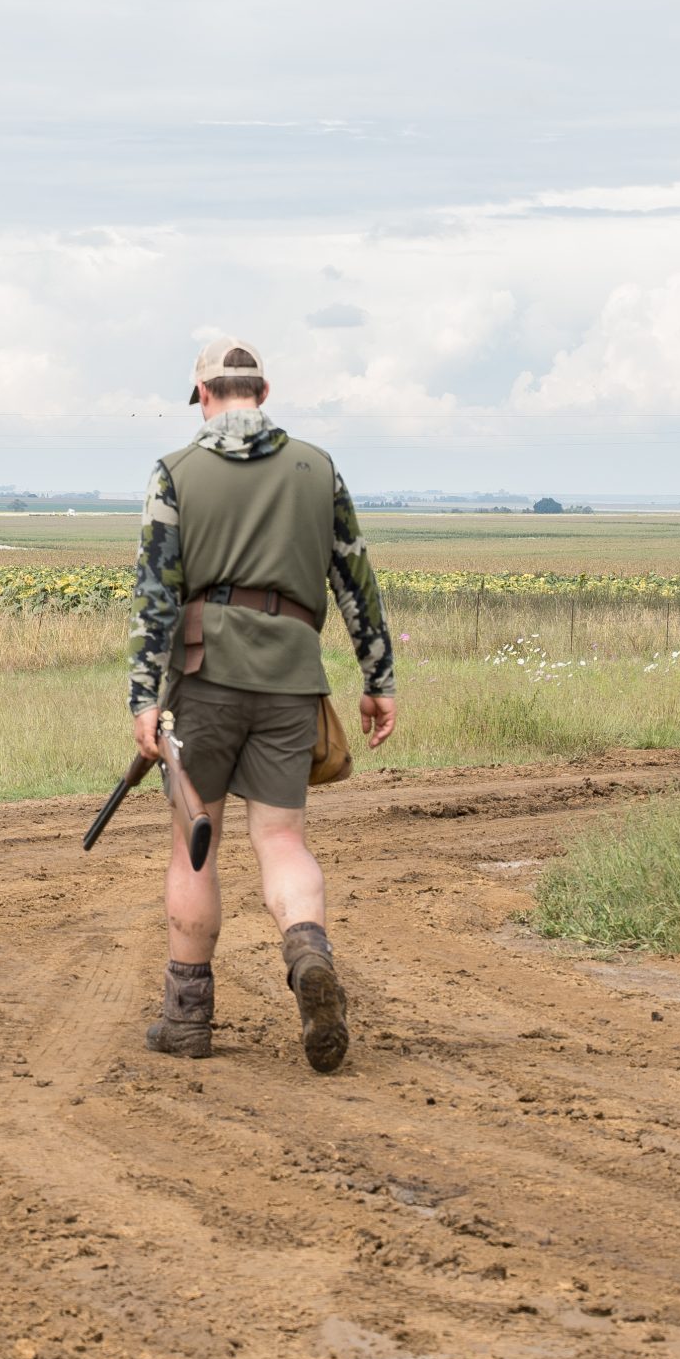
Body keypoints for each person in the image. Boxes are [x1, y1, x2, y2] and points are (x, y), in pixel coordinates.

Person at [126, 339, 398, 1072]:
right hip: (292, 677)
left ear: (203, 395)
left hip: (203, 676)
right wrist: (378, 678)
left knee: (196, 845)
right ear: (265, 391)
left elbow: (154, 596)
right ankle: (308, 955)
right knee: (282, 841)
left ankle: (187, 1020)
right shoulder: (318, 468)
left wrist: (144, 698)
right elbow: (356, 579)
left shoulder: (175, 471)